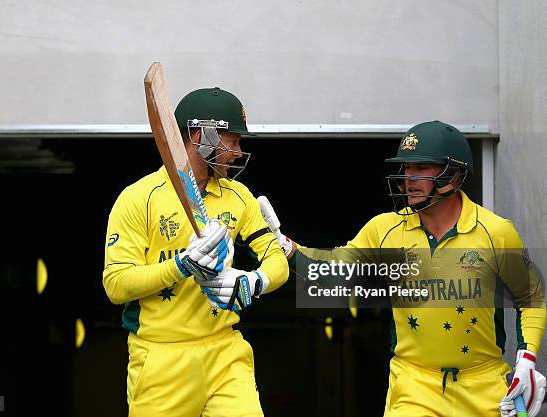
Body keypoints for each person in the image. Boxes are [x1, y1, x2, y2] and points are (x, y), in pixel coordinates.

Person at [258, 121, 547, 417]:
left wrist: (526, 361)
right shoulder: (385, 230)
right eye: (406, 168)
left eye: (422, 168)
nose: (409, 178)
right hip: (414, 385)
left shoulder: (496, 231)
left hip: (484, 386)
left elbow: (531, 298)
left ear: (455, 173)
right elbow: (334, 270)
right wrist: (288, 249)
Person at [103, 86, 289, 417]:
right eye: (232, 141)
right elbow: (116, 285)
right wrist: (183, 265)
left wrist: (252, 282)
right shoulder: (138, 198)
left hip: (225, 352)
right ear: (201, 134)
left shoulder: (239, 196)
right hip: (160, 359)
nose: (237, 152)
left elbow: (277, 260)